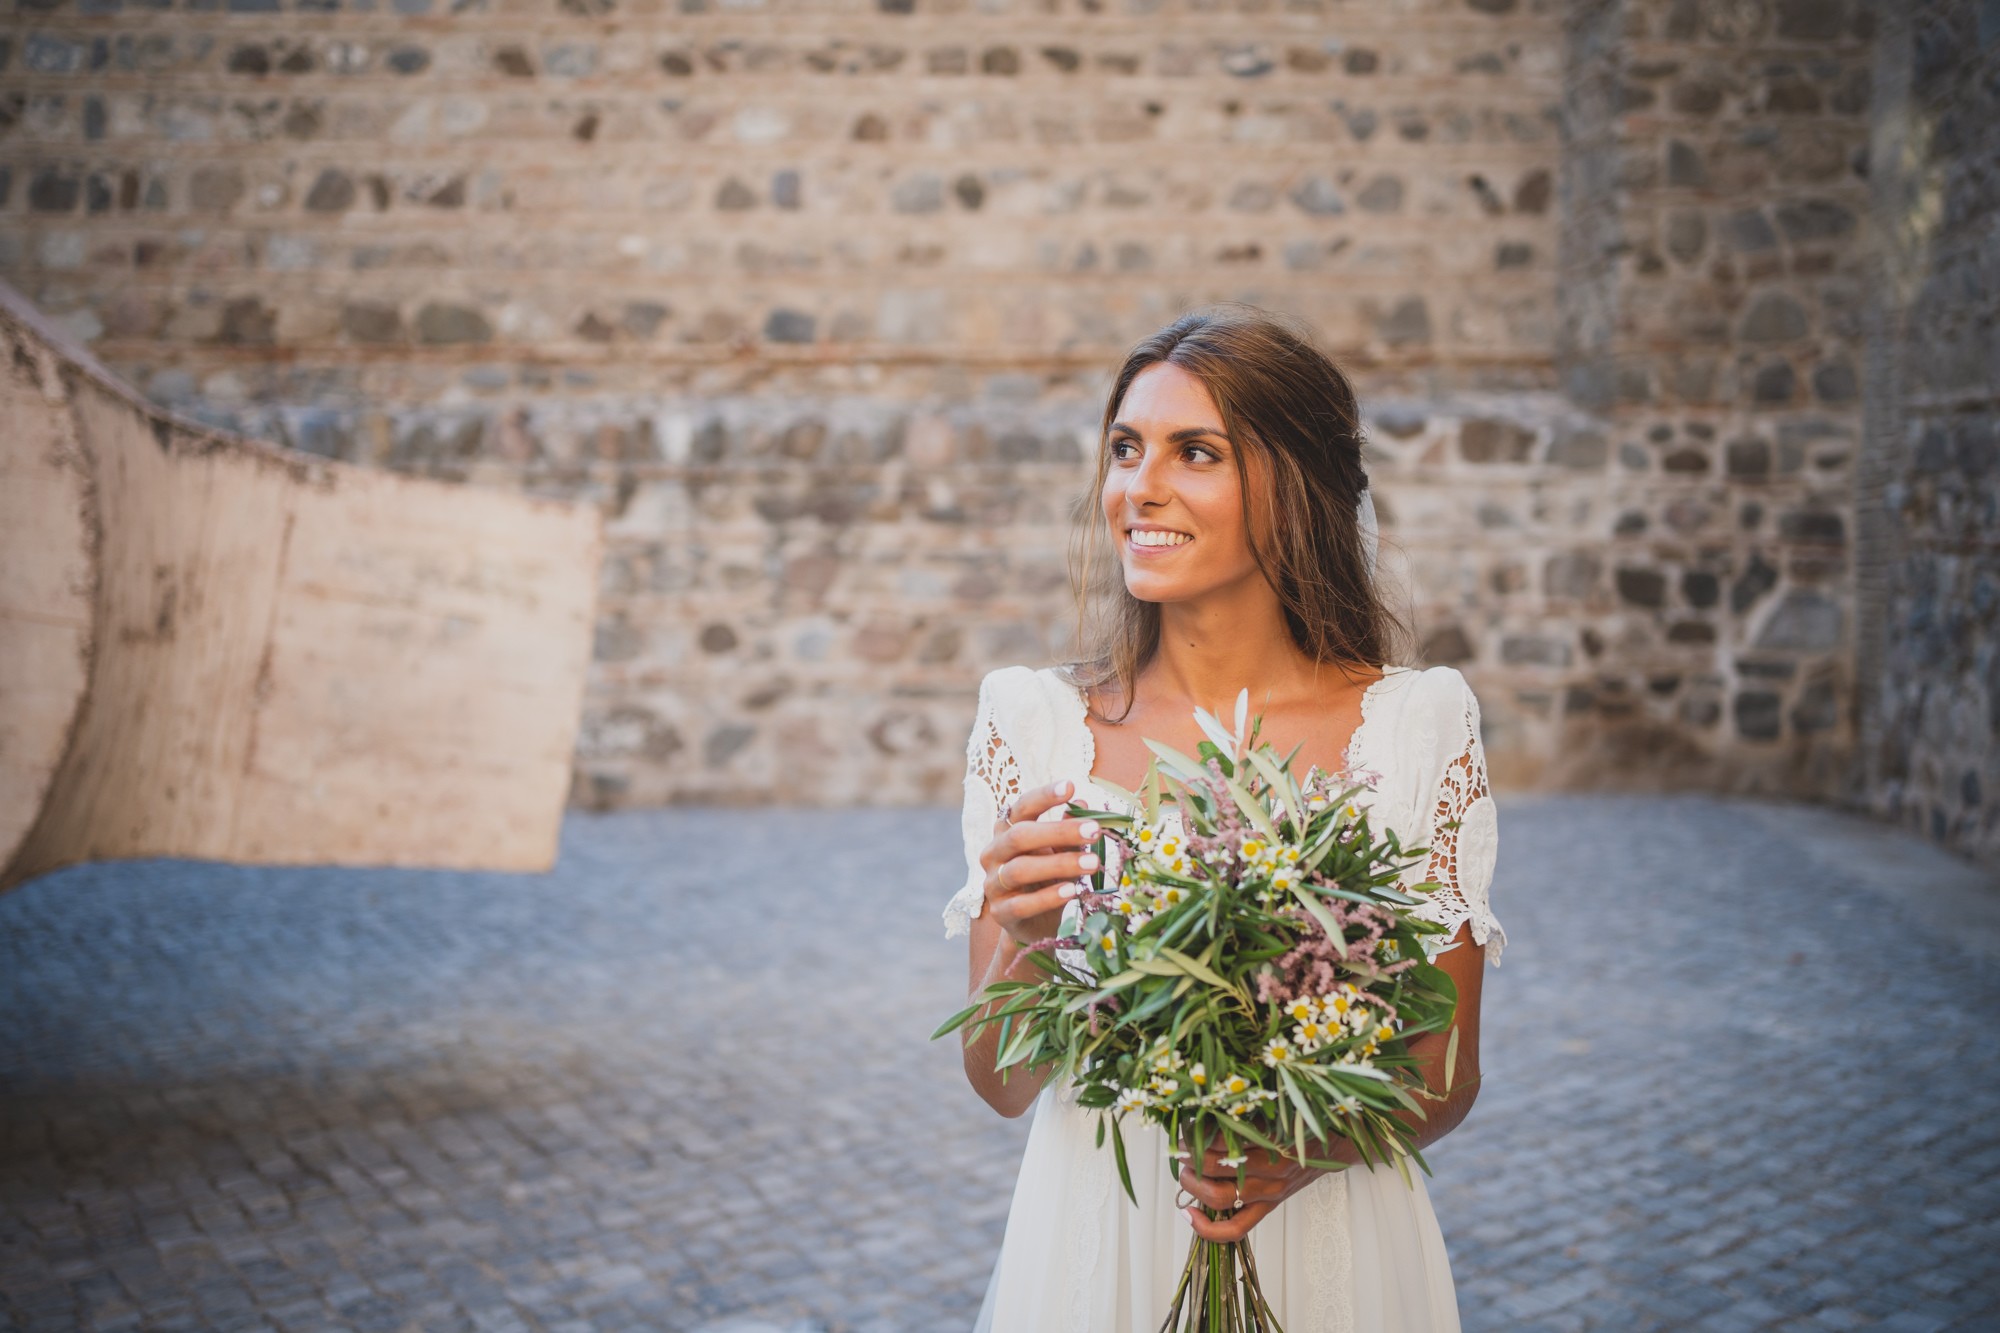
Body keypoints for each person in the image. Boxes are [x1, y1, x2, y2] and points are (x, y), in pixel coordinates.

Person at [941, 306, 1505, 1332]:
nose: (1139, 487)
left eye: (1194, 452)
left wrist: (1303, 1150)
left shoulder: (1415, 725)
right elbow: (1002, 1083)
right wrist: (1025, 938)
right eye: (1125, 449)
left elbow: (1445, 1072)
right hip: (1095, 1239)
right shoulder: (1033, 723)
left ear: (1297, 486)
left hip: (1329, 1243)